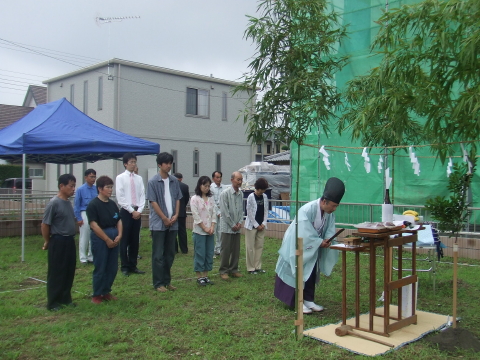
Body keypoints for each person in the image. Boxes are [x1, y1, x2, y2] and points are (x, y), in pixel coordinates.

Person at [274, 177, 345, 314]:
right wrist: (319, 242)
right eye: (334, 206)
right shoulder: (307, 210)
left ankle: (308, 299)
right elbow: (303, 232)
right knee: (297, 270)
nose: (335, 209)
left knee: (311, 271)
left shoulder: (329, 213)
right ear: (324, 201)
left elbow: (329, 229)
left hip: (312, 247)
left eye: (336, 206)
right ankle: (297, 301)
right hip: (297, 244)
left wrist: (327, 239)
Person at [41, 174, 77, 311]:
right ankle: (53, 301)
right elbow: (45, 224)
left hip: (69, 240)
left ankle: (65, 298)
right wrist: (47, 241)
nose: (73, 189)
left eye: (74, 186)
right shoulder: (53, 203)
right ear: (61, 186)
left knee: (69, 270)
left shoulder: (68, 202)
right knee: (57, 272)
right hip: (58, 240)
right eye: (71, 186)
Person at [147, 152, 182, 292]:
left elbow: (178, 199)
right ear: (159, 164)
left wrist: (176, 215)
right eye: (166, 163)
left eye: (170, 163)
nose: (169, 166)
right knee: (158, 255)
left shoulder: (174, 181)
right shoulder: (153, 182)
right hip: (159, 223)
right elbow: (153, 202)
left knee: (170, 254)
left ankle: (167, 281)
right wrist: (164, 218)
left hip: (173, 223)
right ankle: (158, 283)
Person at [87, 176, 122, 304]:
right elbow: (93, 225)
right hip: (100, 238)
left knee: (112, 267)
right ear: (100, 189)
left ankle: (106, 291)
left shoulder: (112, 204)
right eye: (107, 187)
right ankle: (97, 294)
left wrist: (119, 235)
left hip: (114, 235)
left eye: (111, 187)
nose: (110, 190)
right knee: (100, 266)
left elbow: (118, 220)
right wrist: (106, 239)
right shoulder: (93, 205)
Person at [116, 153, 146, 277]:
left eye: (135, 162)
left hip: (137, 211)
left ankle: (133, 265)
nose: (133, 164)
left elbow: (142, 195)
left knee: (135, 240)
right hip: (126, 211)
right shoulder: (120, 178)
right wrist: (131, 210)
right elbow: (120, 197)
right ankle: (124, 266)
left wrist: (139, 210)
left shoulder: (139, 178)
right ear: (125, 164)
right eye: (131, 162)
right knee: (125, 239)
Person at [190, 176, 217, 286]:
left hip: (210, 231)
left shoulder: (211, 199)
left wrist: (212, 227)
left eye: (208, 186)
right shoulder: (194, 199)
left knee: (209, 253)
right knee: (200, 253)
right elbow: (196, 216)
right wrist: (204, 228)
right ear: (199, 186)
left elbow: (214, 213)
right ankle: (199, 276)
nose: (206, 188)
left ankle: (206, 275)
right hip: (199, 231)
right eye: (204, 186)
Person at [218, 171, 244, 280]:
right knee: (226, 249)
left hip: (237, 227)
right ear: (232, 180)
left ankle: (234, 269)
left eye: (241, 180)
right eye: (238, 179)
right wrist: (233, 224)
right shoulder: (225, 193)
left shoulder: (241, 193)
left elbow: (241, 210)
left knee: (236, 249)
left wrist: (239, 222)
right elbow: (224, 212)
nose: (240, 182)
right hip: (227, 227)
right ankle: (224, 270)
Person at [245, 178, 269, 275]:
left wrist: (263, 223)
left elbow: (266, 210)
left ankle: (257, 266)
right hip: (251, 226)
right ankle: (251, 268)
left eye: (263, 190)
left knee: (259, 246)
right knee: (250, 247)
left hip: (262, 226)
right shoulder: (251, 197)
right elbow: (249, 212)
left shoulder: (265, 197)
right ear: (257, 188)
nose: (261, 192)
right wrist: (256, 224)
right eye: (260, 190)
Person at [73, 169, 97, 265]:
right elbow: (76, 205)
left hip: (94, 213)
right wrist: (78, 218)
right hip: (84, 212)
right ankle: (83, 257)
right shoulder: (80, 189)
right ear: (85, 177)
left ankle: (91, 256)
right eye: (91, 177)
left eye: (94, 177)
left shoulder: (96, 189)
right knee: (84, 236)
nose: (93, 179)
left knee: (94, 234)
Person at [210, 171, 227, 257]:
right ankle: (211, 250)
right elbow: (212, 202)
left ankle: (218, 248)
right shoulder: (210, 187)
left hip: (222, 212)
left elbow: (224, 200)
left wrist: (222, 211)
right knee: (213, 231)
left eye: (220, 177)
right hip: (213, 212)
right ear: (213, 178)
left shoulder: (224, 187)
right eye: (217, 177)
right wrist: (218, 212)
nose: (218, 179)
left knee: (220, 231)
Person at [173, 172, 190, 254]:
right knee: (182, 231)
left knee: (173, 231)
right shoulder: (185, 186)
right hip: (181, 212)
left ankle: (174, 249)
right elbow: (187, 199)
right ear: (181, 179)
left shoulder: (171, 185)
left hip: (172, 212)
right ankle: (184, 249)